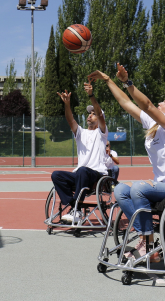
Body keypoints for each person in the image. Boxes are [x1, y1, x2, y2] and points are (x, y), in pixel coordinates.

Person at [88, 65, 165, 261]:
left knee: (138, 188)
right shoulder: (155, 126)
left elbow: (146, 104)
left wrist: (128, 82)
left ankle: (148, 244)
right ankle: (146, 239)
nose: (159, 103)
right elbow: (126, 103)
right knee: (120, 190)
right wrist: (108, 80)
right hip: (164, 186)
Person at [50, 82, 108, 224]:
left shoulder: (102, 133)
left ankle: (75, 209)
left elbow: (100, 114)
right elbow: (70, 120)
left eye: (93, 114)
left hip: (96, 175)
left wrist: (91, 95)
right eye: (89, 114)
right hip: (80, 174)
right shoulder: (81, 133)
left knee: (82, 170)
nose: (90, 116)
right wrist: (67, 104)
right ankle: (73, 206)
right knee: (56, 175)